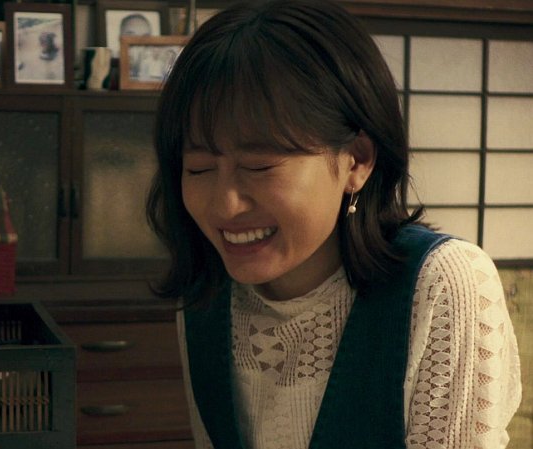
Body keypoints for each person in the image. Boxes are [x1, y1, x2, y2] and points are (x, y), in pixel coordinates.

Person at [144, 1, 522, 449]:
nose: (225, 205)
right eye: (200, 168)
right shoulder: (205, 295)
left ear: (356, 160)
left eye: (260, 166)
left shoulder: (441, 283)